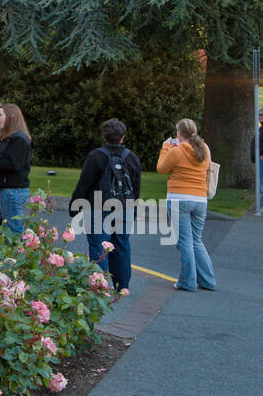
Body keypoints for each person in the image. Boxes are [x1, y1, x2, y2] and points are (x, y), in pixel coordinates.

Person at [71, 119, 142, 296]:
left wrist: (75, 206)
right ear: (123, 137)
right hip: (124, 206)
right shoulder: (132, 158)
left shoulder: (96, 156)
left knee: (98, 245)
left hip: (97, 205)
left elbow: (84, 184)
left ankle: (100, 284)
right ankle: (123, 285)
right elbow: (136, 187)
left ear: (104, 135)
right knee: (121, 244)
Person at [157, 118, 217, 291]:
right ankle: (207, 280)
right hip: (200, 200)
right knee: (196, 241)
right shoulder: (204, 149)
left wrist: (165, 147)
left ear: (179, 133)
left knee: (184, 242)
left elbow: (162, 169)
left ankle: (187, 282)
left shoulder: (176, 151)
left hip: (179, 198)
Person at [0, 103, 31, 235]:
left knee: (13, 231)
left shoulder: (19, 139)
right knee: (9, 229)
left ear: (11, 116)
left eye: (1, 115)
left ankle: (17, 254)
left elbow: (13, 164)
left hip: (13, 190)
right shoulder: (8, 138)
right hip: (7, 189)